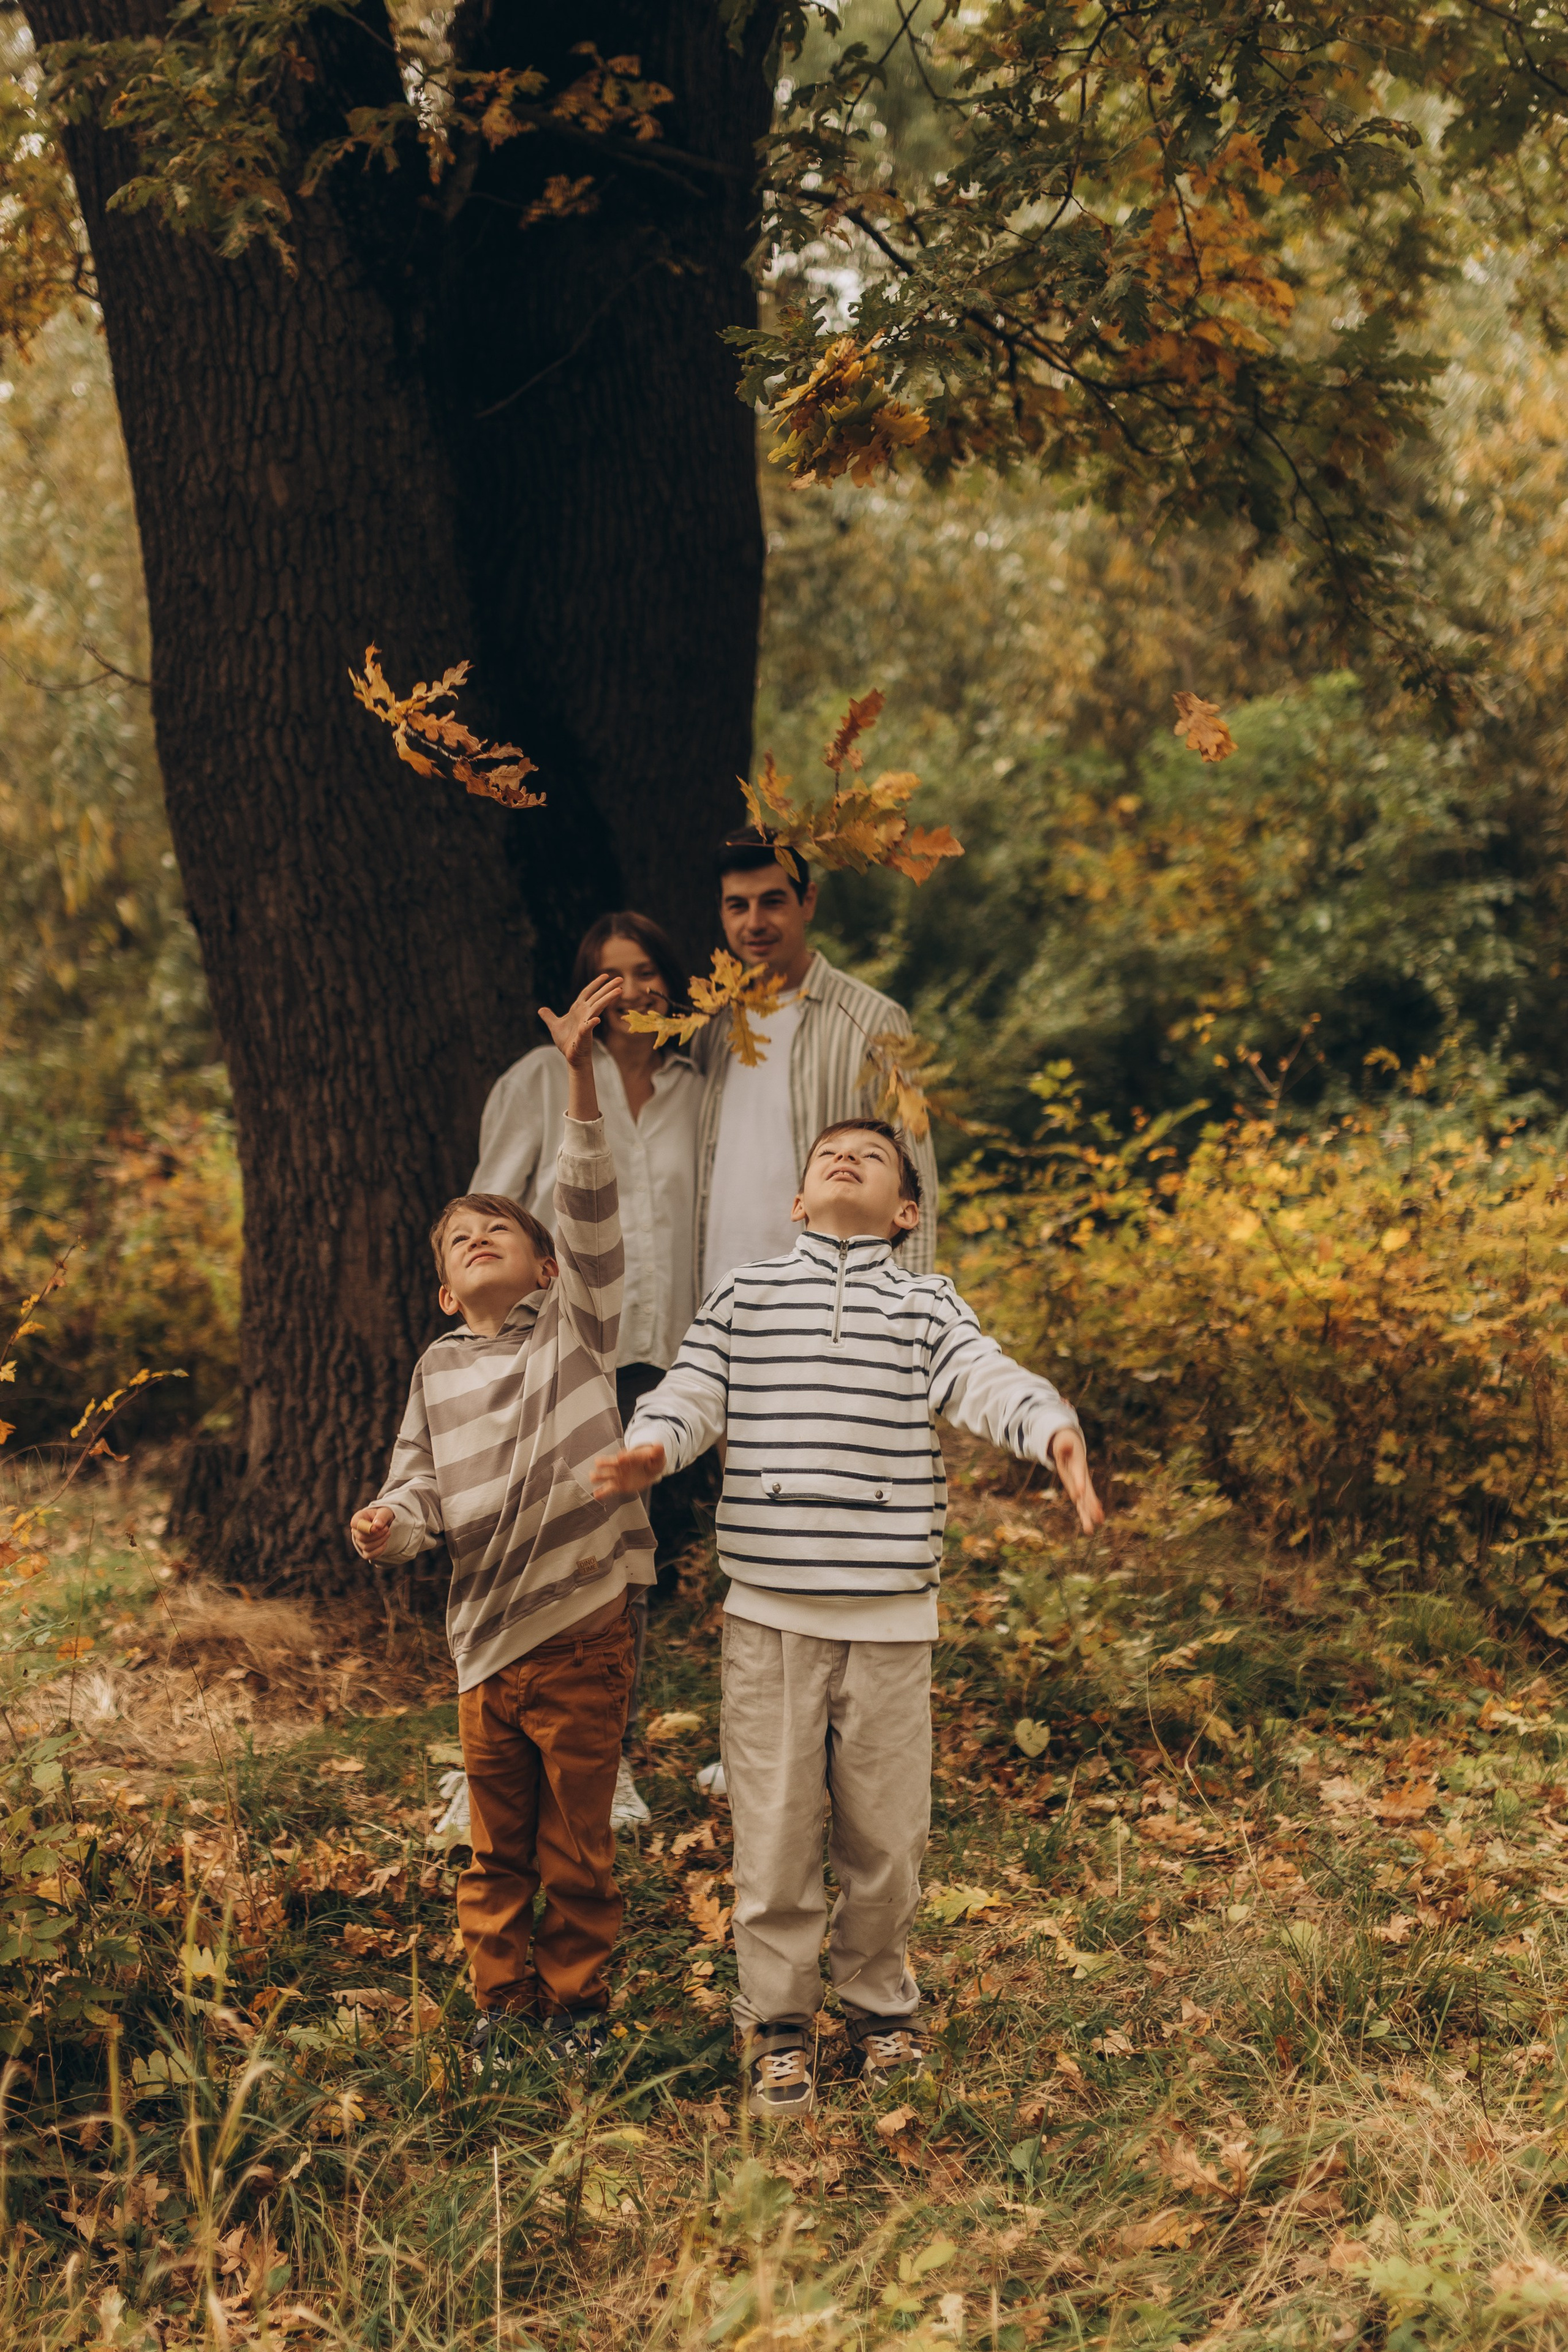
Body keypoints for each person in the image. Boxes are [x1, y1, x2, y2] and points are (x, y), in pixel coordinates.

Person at [592, 1118, 1104, 2117]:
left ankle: (881, 2009)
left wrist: (1051, 1426)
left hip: (891, 1622)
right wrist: (653, 1443)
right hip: (770, 1619)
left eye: (873, 1158)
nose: (848, 1160)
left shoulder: (923, 1301)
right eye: (830, 1153)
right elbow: (693, 1388)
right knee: (776, 1832)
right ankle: (778, 2027)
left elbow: (983, 1377)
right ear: (796, 1200)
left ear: (905, 1210)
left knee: (887, 1840)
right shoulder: (745, 1295)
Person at [350, 971, 654, 2073]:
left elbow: (588, 1203)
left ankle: (578, 2011)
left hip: (578, 1628)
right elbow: (419, 1486)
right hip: (483, 1644)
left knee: (577, 1842)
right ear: (442, 1290)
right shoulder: (437, 1368)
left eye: (500, 1228)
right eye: (460, 1237)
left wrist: (578, 1075)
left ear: (542, 1266)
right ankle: (500, 2008)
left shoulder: (574, 1330)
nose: (479, 1236)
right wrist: (391, 1521)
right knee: (493, 1848)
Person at [472, 912, 701, 1831]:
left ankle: (609, 1762)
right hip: (559, 1353)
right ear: (586, 990)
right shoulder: (538, 1081)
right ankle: (498, 1763)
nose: (635, 991)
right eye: (613, 975)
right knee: (536, 1564)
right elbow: (489, 1210)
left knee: (627, 1572)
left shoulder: (701, 1087)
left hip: (662, 1360)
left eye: (648, 971)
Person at [695, 832, 940, 1297]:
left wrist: (906, 1315)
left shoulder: (873, 1020)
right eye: (737, 906)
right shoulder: (709, 1026)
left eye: (772, 902)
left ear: (807, 901)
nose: (755, 922)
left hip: (828, 1304)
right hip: (717, 1300)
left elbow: (915, 1184)